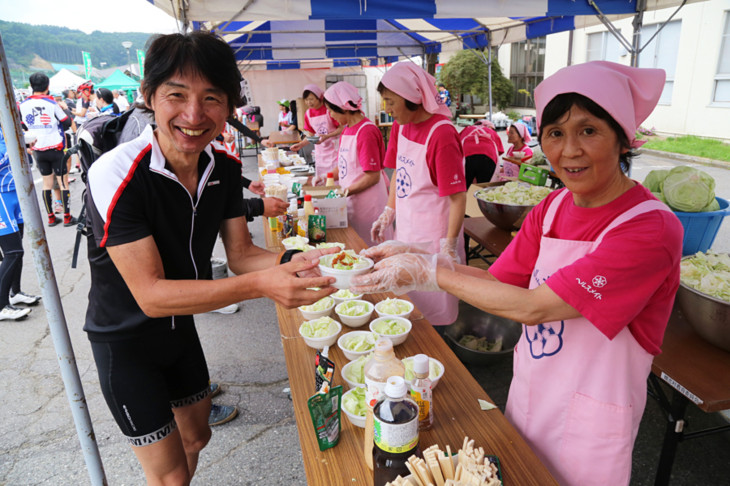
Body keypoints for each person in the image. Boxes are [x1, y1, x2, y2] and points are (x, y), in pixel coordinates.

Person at [351, 61, 684, 486]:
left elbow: (536, 307)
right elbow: (499, 281)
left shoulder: (649, 228)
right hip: (530, 395)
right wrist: (417, 254)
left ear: (622, 138)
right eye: (555, 133)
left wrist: (431, 271)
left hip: (591, 421)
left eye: (588, 130)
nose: (569, 150)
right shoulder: (552, 208)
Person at [83, 31, 337, 485]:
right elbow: (152, 296)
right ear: (149, 97)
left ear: (229, 107)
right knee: (170, 476)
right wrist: (263, 286)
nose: (194, 115)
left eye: (212, 98)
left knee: (197, 439)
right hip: (125, 342)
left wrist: (308, 259)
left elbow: (241, 256)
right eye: (176, 96)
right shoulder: (116, 172)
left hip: (181, 331)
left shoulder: (224, 167)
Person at [369, 62, 467, 328]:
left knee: (435, 309)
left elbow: (458, 197)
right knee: (407, 304)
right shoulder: (402, 126)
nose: (386, 109)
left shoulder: (442, 134)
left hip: (434, 239)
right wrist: (389, 212)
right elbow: (399, 174)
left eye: (390, 102)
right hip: (407, 233)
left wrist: (448, 246)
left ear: (412, 98)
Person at [322, 81, 391, 247]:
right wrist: (326, 177)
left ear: (344, 107)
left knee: (372, 248)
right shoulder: (347, 129)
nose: (330, 115)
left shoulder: (366, 131)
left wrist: (346, 191)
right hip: (353, 201)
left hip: (369, 204)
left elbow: (373, 176)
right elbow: (345, 165)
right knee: (357, 247)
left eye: (331, 110)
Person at [19, 72, 77, 227]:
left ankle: (51, 218)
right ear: (47, 86)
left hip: (38, 149)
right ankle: (67, 217)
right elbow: (66, 123)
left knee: (46, 184)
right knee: (63, 182)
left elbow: (22, 126)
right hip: (56, 148)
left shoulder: (23, 105)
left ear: (31, 86)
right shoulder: (51, 103)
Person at [0, 128, 42, 321]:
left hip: (14, 193)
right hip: (1, 197)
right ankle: (1, 306)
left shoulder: (4, 128)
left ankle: (15, 293)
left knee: (18, 249)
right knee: (13, 252)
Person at [289, 84, 344, 184]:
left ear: (320, 98)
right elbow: (311, 135)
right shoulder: (308, 114)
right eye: (306, 100)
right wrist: (300, 144)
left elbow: (341, 128)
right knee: (321, 181)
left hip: (334, 150)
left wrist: (327, 136)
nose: (308, 102)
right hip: (320, 153)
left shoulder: (329, 110)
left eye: (311, 99)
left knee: (335, 180)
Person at [459, 119, 504, 184]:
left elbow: (457, 145)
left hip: (467, 157)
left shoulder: (467, 129)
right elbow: (499, 150)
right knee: (484, 186)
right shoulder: (490, 131)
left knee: (465, 185)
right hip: (487, 158)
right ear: (489, 126)